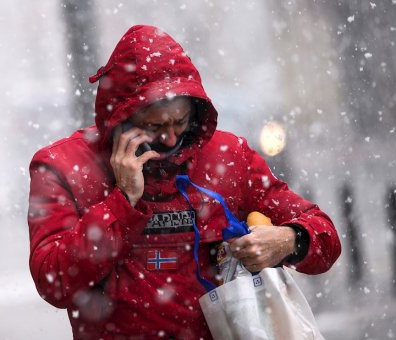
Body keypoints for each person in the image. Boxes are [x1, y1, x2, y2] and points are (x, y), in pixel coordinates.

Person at [27, 25, 341, 339]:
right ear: (121, 117)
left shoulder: (228, 157)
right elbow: (52, 280)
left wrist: (287, 241)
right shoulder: (64, 167)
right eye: (154, 125)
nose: (170, 137)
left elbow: (325, 239)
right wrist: (121, 203)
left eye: (180, 121)